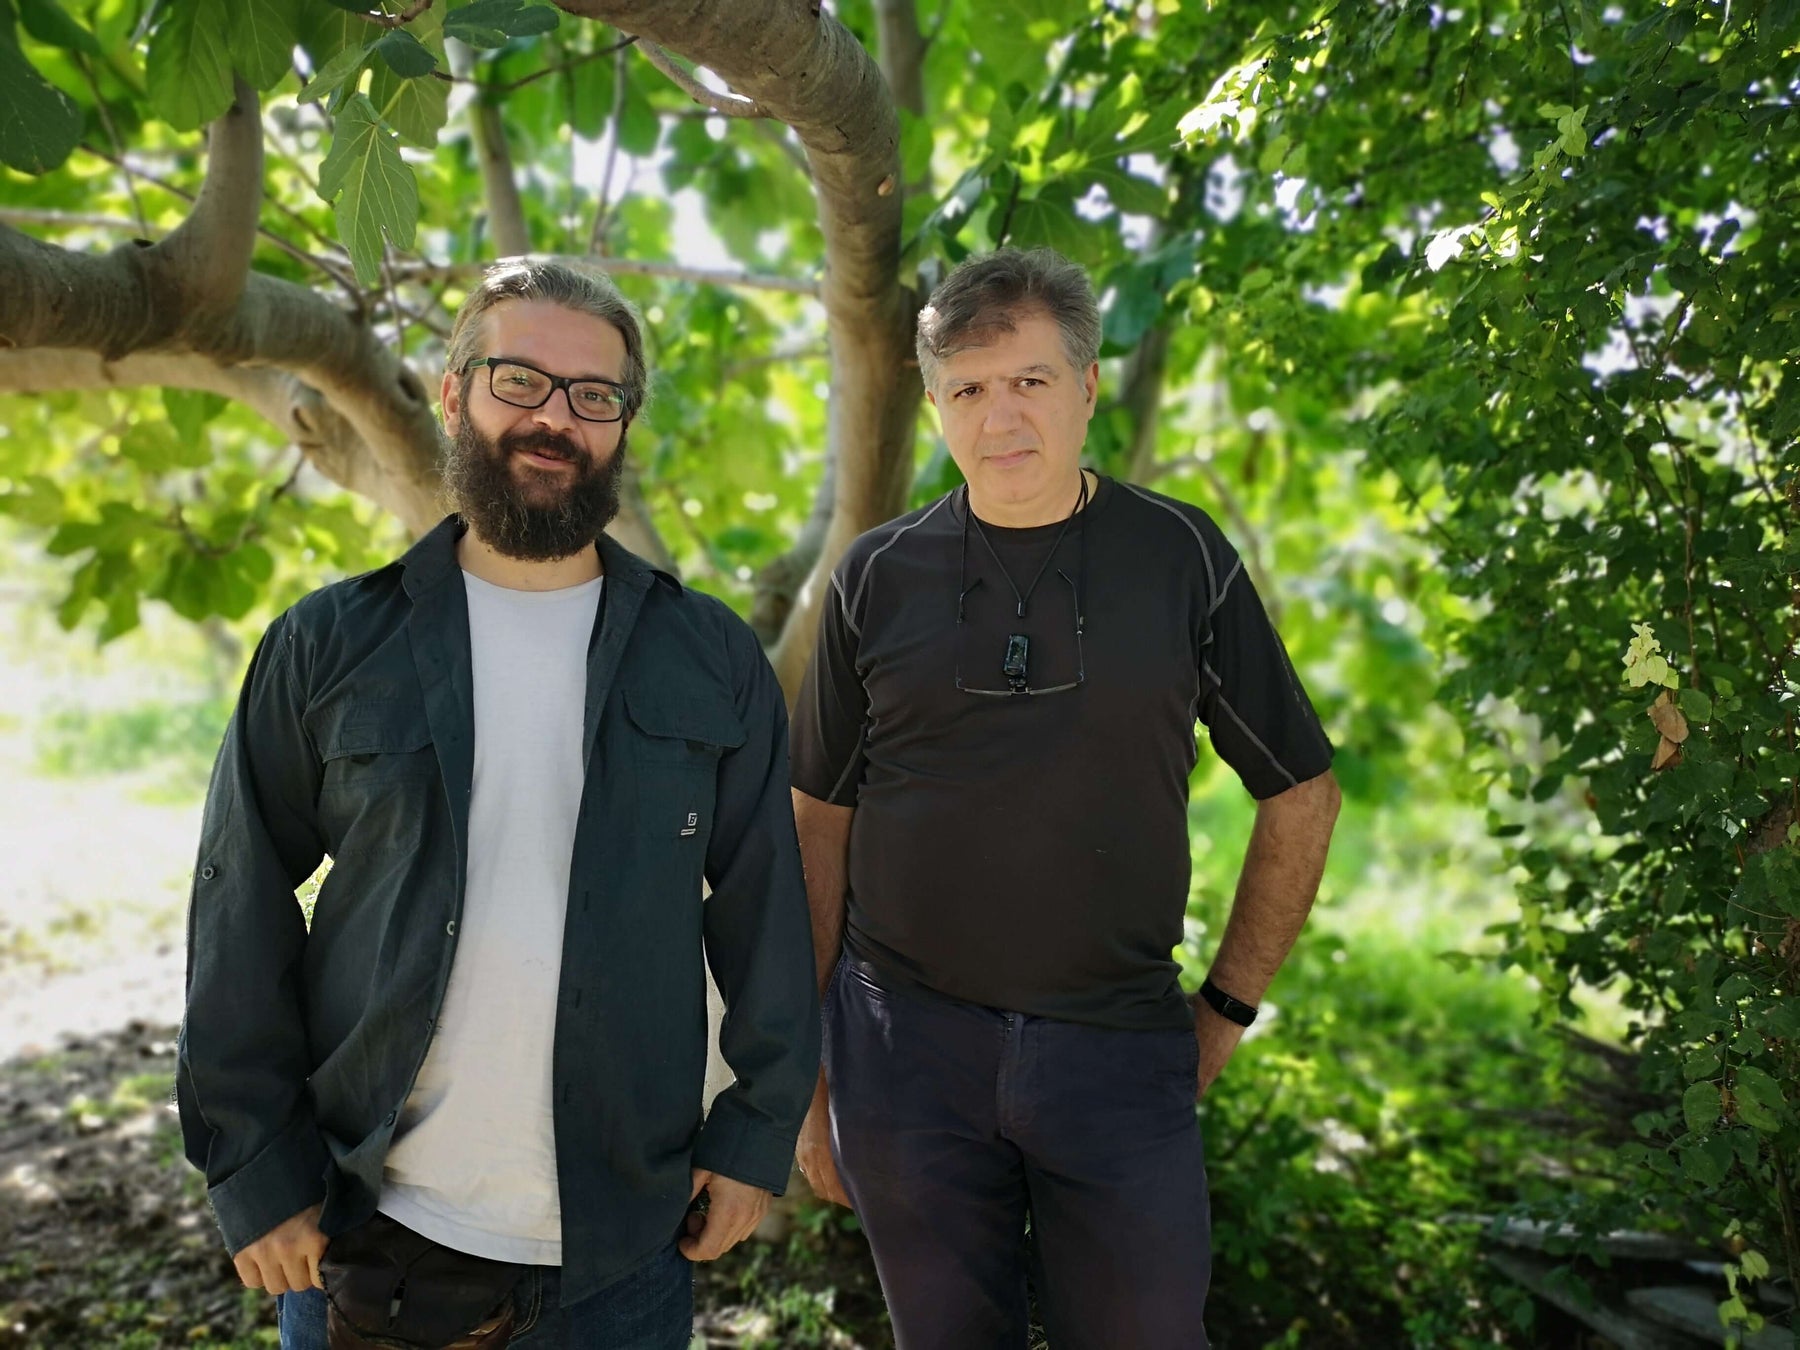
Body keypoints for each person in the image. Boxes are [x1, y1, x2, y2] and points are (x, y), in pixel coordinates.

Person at [177, 259, 819, 1350]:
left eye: (593, 395)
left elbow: (768, 913)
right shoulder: (330, 645)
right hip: (364, 1236)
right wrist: (253, 1165)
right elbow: (235, 905)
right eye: (519, 380)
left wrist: (756, 1135)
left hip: (622, 1252)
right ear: (453, 391)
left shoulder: (712, 659)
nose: (555, 419)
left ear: (622, 424)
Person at [788, 247, 1341, 1349]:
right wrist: (807, 1073)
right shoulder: (876, 575)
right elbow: (816, 824)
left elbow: (1302, 794)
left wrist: (1224, 1010)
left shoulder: (1179, 555)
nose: (1001, 419)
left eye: (1030, 381)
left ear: (1089, 387)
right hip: (904, 1053)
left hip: (1119, 1052)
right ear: (939, 405)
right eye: (969, 390)